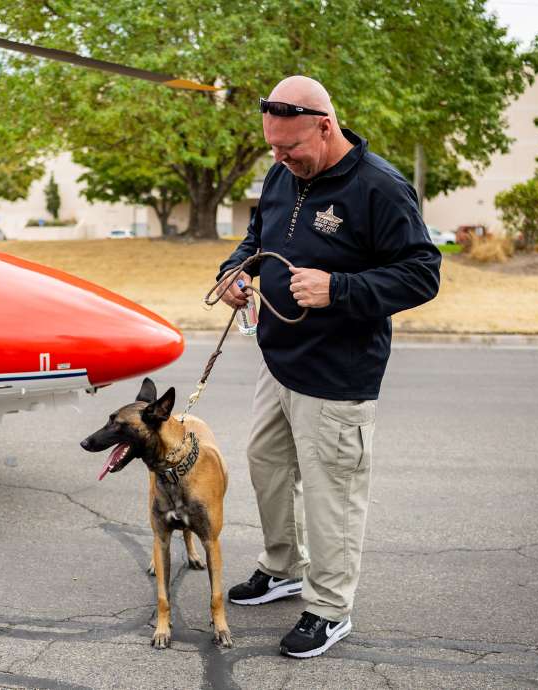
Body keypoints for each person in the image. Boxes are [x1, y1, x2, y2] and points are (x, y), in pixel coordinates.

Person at [216, 76, 440, 659]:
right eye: (271, 147)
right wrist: (235, 273)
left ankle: (329, 607)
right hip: (280, 360)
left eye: (289, 148)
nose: (279, 159)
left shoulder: (380, 188)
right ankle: (285, 568)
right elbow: (255, 238)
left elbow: (422, 273)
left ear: (325, 125)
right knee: (266, 466)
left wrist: (338, 288)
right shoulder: (282, 173)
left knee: (331, 493)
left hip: (339, 376)